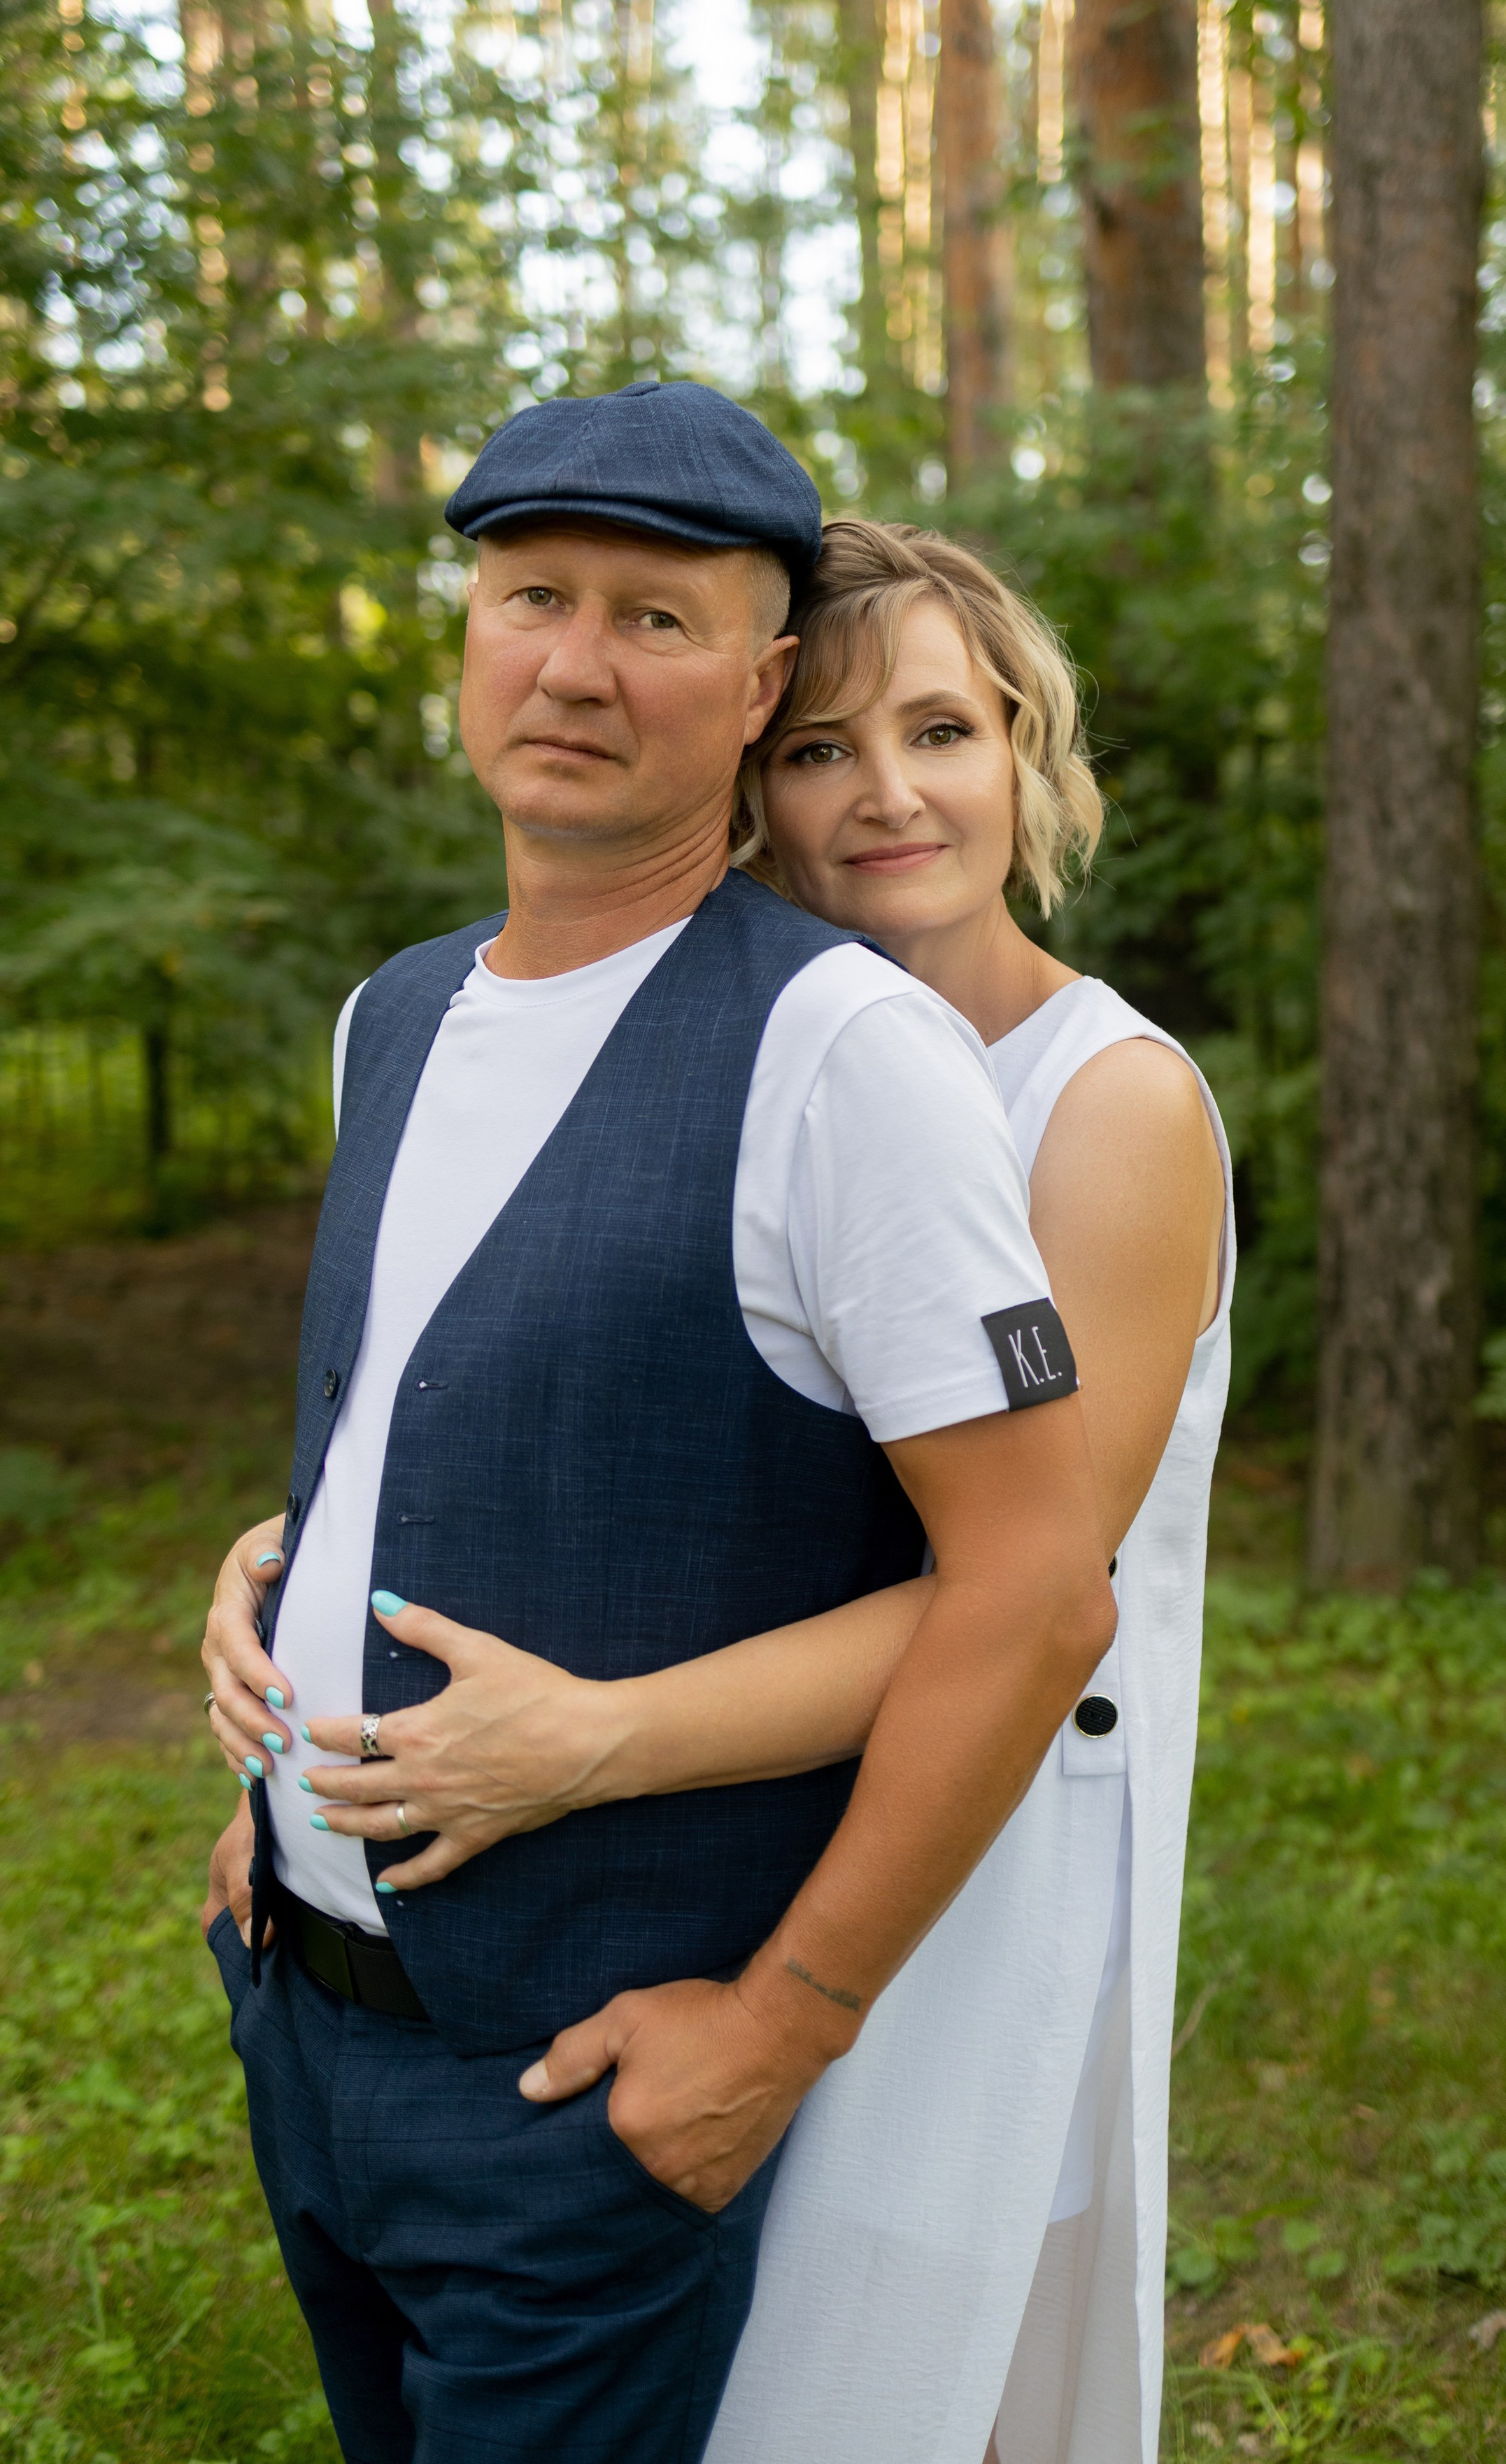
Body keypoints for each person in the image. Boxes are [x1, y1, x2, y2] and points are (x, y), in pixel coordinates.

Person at [207, 502, 1230, 2463]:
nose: (885, 798)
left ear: (1029, 750)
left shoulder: (1103, 1104)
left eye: (942, 732)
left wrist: (593, 1742)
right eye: (821, 750)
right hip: (737, 1812)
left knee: (889, 2352)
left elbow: (1014, 1595)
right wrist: (290, 1586)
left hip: (982, 1806)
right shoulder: (731, 1052)